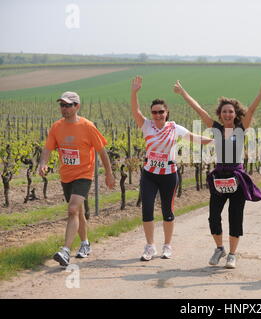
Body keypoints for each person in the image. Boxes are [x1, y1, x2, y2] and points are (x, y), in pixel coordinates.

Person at [173, 76, 261, 269]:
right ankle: (219, 249)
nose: (227, 114)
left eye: (231, 111)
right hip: (219, 177)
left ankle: (232, 254)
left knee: (236, 216)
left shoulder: (241, 129)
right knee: (213, 216)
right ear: (220, 114)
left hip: (237, 177)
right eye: (224, 111)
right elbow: (199, 109)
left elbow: (251, 110)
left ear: (236, 114)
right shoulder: (216, 129)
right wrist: (183, 92)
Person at [131, 76, 213, 261]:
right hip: (149, 175)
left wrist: (218, 140)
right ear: (151, 114)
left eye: (161, 112)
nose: (158, 115)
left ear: (167, 112)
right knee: (147, 209)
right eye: (154, 112)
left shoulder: (174, 128)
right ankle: (150, 246)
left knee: (167, 210)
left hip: (168, 175)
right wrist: (134, 92)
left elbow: (195, 138)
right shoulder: (146, 126)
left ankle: (167, 246)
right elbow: (135, 110)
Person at [38, 91, 115, 267]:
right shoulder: (56, 127)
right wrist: (42, 163)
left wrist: (109, 174)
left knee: (72, 209)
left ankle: (65, 250)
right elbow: (48, 149)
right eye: (62, 105)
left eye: (67, 105)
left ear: (77, 107)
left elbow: (102, 151)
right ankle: (85, 243)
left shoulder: (88, 126)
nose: (63, 108)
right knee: (78, 212)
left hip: (84, 174)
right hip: (66, 175)